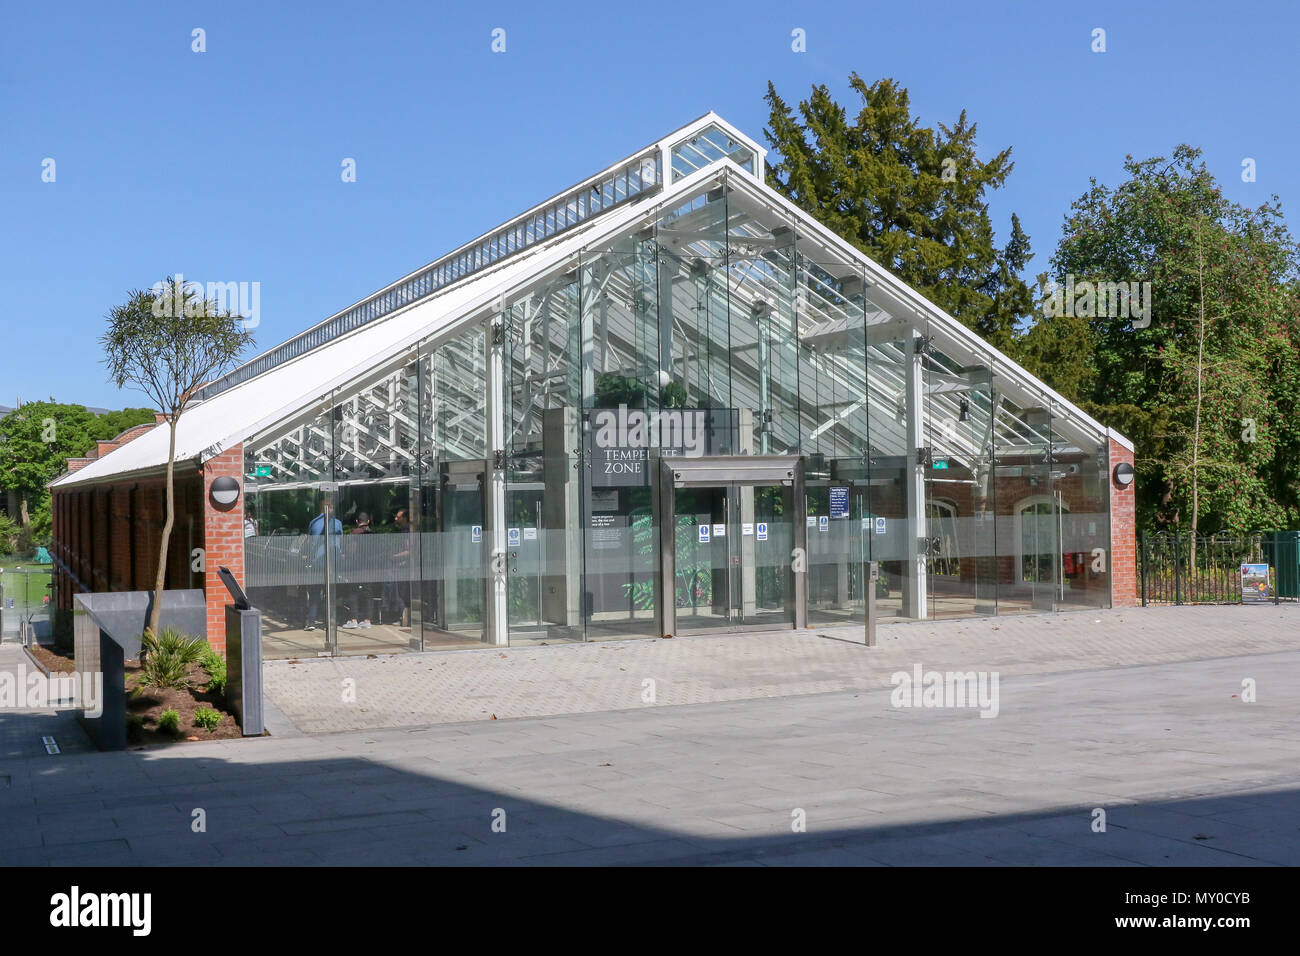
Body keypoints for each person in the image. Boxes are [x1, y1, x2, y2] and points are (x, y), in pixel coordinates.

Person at [303, 493, 342, 632]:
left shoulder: (313, 522)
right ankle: (329, 621)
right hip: (332, 562)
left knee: (315, 592)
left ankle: (312, 621)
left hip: (318, 562)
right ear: (328, 508)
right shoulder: (337, 523)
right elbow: (340, 542)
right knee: (330, 593)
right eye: (331, 507)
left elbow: (309, 542)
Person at [342, 511, 374, 629]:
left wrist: (346, 557)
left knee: (353, 592)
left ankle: (353, 619)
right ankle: (367, 620)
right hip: (369, 569)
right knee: (368, 593)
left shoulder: (355, 533)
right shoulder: (372, 534)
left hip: (356, 568)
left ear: (356, 521)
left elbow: (350, 552)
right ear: (368, 521)